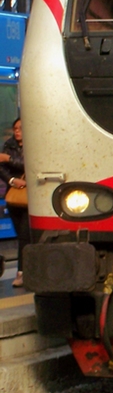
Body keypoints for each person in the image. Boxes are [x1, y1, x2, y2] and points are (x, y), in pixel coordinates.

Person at [0, 118, 27, 287]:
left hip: (31, 196)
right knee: (21, 234)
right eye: (15, 128)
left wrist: (8, 159)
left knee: (25, 235)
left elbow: (30, 164)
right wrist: (11, 180)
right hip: (14, 195)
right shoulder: (9, 144)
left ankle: (22, 272)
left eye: (21, 128)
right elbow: (0, 168)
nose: (17, 131)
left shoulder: (36, 143)